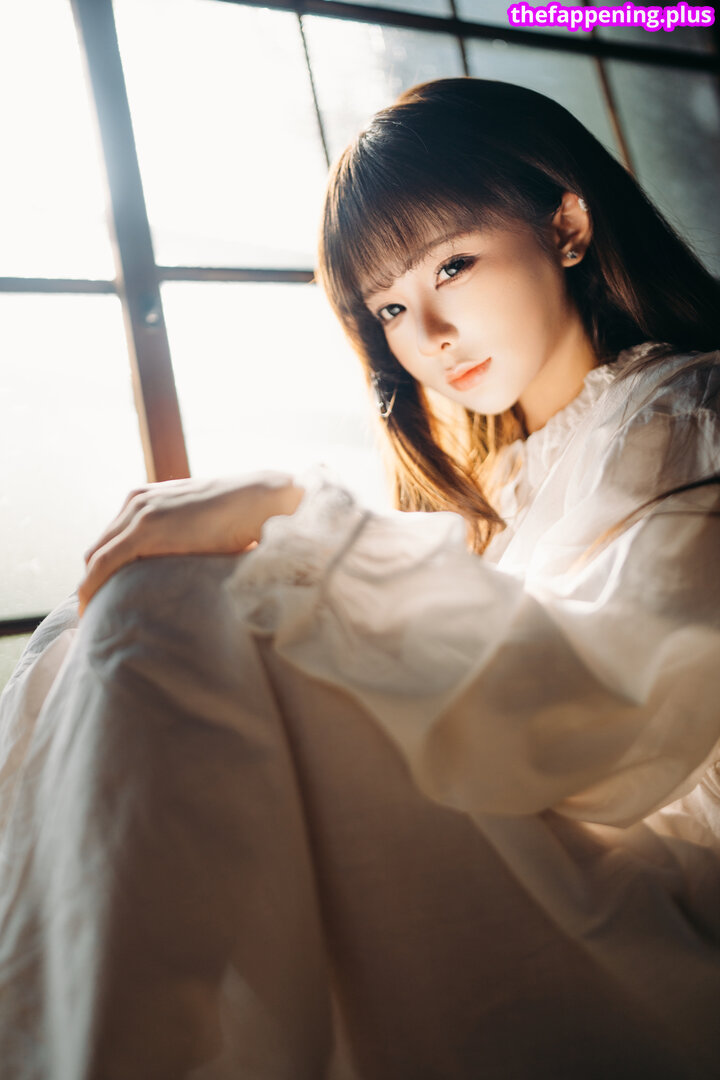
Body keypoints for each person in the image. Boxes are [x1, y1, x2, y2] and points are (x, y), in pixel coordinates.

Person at [1, 77, 719, 1080]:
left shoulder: (689, 411)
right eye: (389, 306)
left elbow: (608, 724)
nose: (427, 332)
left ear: (565, 225)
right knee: (107, 629)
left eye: (453, 265)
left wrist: (293, 507)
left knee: (184, 596)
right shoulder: (500, 489)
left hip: (664, 906)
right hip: (540, 841)